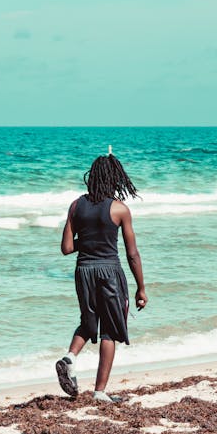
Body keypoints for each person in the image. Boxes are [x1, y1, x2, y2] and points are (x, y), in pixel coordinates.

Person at [55, 153, 147, 402]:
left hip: (83, 271)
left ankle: (70, 358)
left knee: (87, 321)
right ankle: (99, 392)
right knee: (110, 332)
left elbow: (65, 248)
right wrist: (141, 288)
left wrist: (87, 239)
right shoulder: (119, 209)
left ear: (92, 177)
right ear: (116, 179)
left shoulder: (75, 206)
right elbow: (132, 254)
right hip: (109, 272)